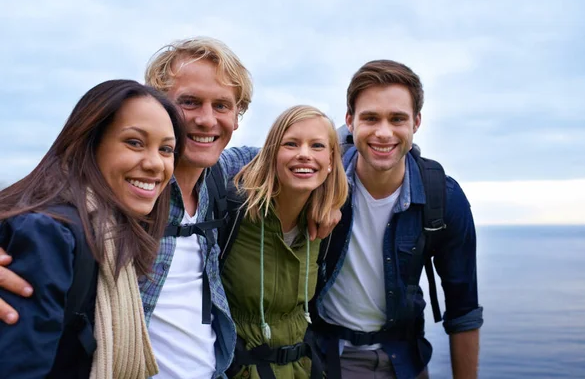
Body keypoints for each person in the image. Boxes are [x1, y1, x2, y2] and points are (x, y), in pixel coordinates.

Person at [0, 37, 340, 378]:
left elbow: (290, 159)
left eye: (222, 106)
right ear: (157, 107)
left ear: (238, 117)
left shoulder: (221, 175)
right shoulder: (122, 187)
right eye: (189, 102)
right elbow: (37, 208)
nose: (207, 121)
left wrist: (331, 195)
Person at [0, 79, 186, 378]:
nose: (155, 163)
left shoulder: (111, 232)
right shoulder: (49, 234)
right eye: (135, 142)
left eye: (166, 149)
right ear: (89, 143)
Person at [312, 60, 483, 379]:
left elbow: (464, 312)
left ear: (416, 122)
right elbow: (265, 164)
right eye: (371, 118)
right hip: (325, 359)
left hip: (404, 361)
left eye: (398, 119)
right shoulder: (318, 177)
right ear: (350, 121)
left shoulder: (442, 197)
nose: (384, 132)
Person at [220, 105, 348, 378]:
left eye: (317, 146)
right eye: (291, 144)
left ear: (330, 160)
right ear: (272, 154)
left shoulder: (328, 222)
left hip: (302, 368)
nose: (304, 154)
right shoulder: (233, 210)